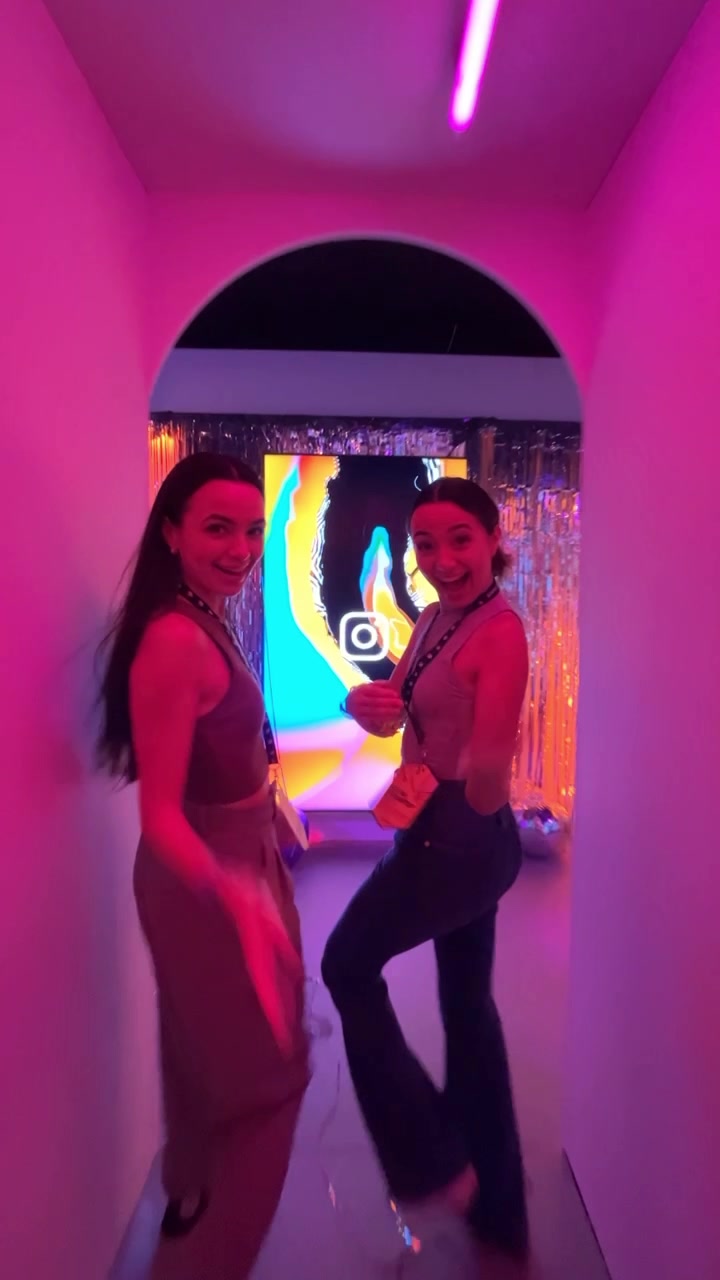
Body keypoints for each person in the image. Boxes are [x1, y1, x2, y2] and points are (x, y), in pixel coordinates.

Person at [97, 453, 309, 1272]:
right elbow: (159, 820)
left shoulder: (201, 611)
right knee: (267, 1087)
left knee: (202, 1061)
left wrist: (266, 819)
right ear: (172, 532)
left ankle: (190, 1203)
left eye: (253, 530)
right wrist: (238, 893)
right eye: (218, 528)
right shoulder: (174, 640)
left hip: (239, 856)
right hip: (207, 876)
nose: (240, 549)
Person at [322, 476, 531, 1273]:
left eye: (460, 541)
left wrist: (469, 798)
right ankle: (500, 1213)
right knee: (468, 1010)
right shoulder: (440, 617)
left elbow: (490, 766)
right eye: (426, 545)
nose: (442, 560)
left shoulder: (500, 632)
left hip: (460, 836)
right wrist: (369, 707)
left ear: (493, 539)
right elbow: (402, 710)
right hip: (439, 825)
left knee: (346, 963)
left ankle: (435, 1161)